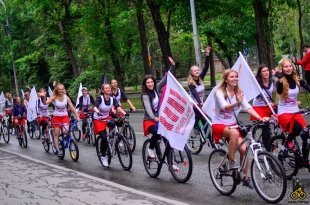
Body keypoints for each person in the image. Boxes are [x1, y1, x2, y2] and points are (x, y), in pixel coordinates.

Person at [212, 69, 268, 189]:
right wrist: (237, 103)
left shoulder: (239, 92)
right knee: (234, 133)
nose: (234, 79)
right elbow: (225, 107)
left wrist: (260, 117)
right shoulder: (219, 92)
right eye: (231, 77)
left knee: (244, 149)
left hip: (232, 125)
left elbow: (248, 107)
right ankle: (232, 161)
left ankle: (245, 177)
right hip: (219, 125)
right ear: (226, 79)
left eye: (236, 77)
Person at [276, 58, 310, 168]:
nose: (288, 68)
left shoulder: (297, 79)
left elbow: (308, 88)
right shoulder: (280, 81)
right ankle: (285, 146)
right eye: (286, 66)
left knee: (306, 136)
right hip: (284, 112)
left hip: (295, 111)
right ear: (282, 68)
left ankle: (304, 160)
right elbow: (280, 91)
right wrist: (280, 78)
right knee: (296, 128)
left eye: (290, 66)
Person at [39, 83, 79, 157]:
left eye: (62, 89)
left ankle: (65, 138)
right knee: (56, 134)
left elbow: (72, 107)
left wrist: (77, 116)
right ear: (57, 90)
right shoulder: (54, 97)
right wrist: (44, 96)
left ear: (64, 90)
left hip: (64, 117)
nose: (61, 91)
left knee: (65, 131)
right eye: (59, 89)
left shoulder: (66, 97)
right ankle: (57, 149)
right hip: (56, 117)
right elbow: (45, 103)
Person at [93, 83, 126, 167]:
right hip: (99, 119)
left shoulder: (112, 99)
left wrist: (124, 113)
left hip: (107, 118)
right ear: (103, 90)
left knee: (118, 124)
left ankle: (117, 140)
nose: (108, 89)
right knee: (104, 138)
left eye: (109, 88)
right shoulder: (99, 98)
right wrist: (98, 112)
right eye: (106, 88)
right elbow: (95, 107)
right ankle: (103, 156)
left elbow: (118, 106)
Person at [141, 74, 167, 158]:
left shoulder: (156, 88)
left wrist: (172, 66)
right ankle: (150, 148)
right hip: (149, 120)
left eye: (151, 82)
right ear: (145, 84)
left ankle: (170, 158)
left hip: (159, 118)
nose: (150, 84)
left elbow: (165, 79)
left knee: (168, 134)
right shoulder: (145, 95)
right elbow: (148, 108)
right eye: (148, 82)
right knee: (157, 132)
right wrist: (154, 117)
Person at [250, 64, 275, 147]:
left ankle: (277, 135)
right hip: (259, 106)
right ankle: (268, 148)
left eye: (267, 70)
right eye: (263, 71)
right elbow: (260, 96)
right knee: (265, 127)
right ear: (260, 74)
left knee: (281, 117)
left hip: (269, 105)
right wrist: (267, 103)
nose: (266, 72)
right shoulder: (257, 83)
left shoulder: (272, 81)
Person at [188, 46, 211, 130]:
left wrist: (207, 54)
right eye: (195, 70)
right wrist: (200, 103)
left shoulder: (200, 78)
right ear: (191, 72)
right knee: (203, 120)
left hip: (202, 103)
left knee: (207, 121)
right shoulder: (191, 83)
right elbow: (195, 94)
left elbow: (206, 68)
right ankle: (194, 127)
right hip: (195, 104)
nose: (197, 72)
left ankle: (207, 138)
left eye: (198, 70)